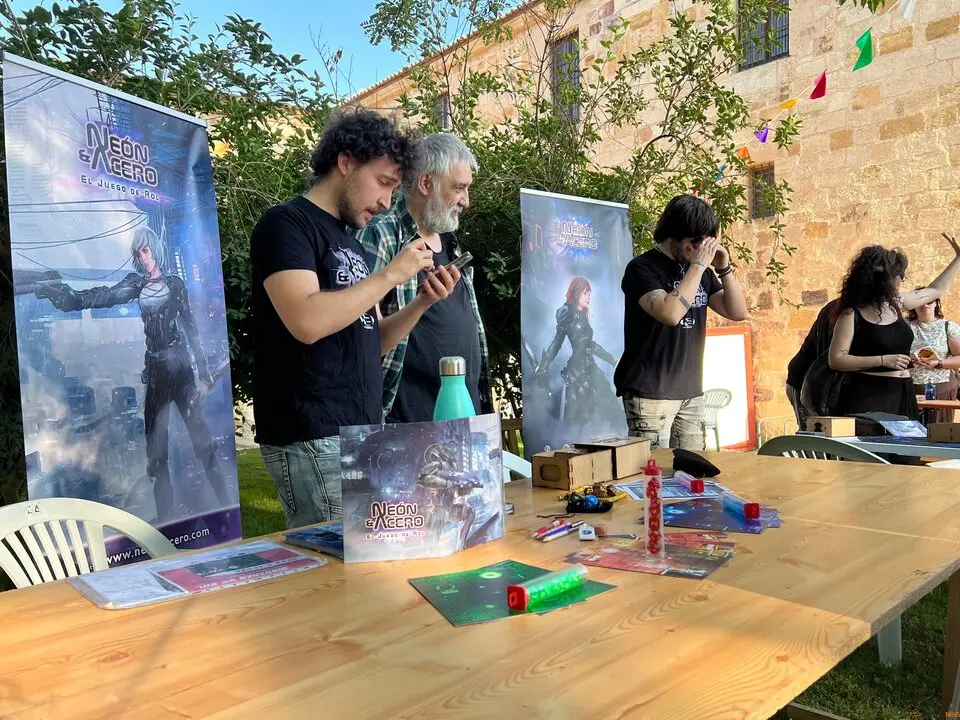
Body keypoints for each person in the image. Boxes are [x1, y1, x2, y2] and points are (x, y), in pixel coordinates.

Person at [250, 109, 462, 529]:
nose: (386, 202)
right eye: (383, 183)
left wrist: (420, 303)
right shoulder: (286, 225)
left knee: (366, 575)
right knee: (337, 578)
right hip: (312, 434)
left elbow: (371, 340)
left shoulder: (351, 244)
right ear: (345, 163)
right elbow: (307, 321)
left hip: (360, 435)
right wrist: (390, 275)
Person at [33, 225, 229, 523]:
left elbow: (190, 329)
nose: (142, 256)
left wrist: (204, 374)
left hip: (181, 372)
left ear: (155, 249)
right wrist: (67, 296)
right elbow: (101, 296)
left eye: (146, 250)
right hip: (157, 373)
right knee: (157, 454)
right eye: (138, 252)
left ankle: (226, 506)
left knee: (204, 444)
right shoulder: (136, 285)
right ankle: (167, 524)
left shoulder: (175, 284)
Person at [355, 133, 491, 423]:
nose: (465, 201)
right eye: (459, 188)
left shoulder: (452, 243)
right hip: (406, 429)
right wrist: (421, 302)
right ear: (426, 183)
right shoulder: (381, 234)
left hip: (462, 423)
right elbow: (364, 337)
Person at [613, 195, 748, 450]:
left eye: (705, 242)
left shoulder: (700, 272)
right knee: (652, 476)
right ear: (674, 234)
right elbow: (670, 313)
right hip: (650, 394)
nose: (698, 249)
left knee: (693, 473)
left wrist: (724, 268)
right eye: (694, 242)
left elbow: (738, 311)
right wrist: (698, 266)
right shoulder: (642, 269)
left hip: (691, 392)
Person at [827, 235, 960, 427]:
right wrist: (883, 360)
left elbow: (936, 290)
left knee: (908, 454)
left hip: (904, 393)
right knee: (876, 453)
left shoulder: (897, 304)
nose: (902, 279)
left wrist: (958, 259)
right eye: (899, 274)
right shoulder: (851, 314)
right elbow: (837, 359)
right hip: (871, 396)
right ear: (883, 278)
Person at [533, 276, 621, 431]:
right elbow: (557, 342)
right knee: (581, 416)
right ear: (576, 293)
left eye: (589, 294)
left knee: (609, 404)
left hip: (590, 367)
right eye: (586, 293)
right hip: (576, 372)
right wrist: (543, 366)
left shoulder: (582, 315)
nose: (589, 297)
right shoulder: (567, 312)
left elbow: (589, 345)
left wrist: (612, 360)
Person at [786, 298, 840, 429]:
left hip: (817, 384)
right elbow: (825, 359)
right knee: (812, 434)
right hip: (805, 381)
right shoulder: (839, 311)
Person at [907, 290, 960, 424]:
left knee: (938, 433)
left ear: (936, 303)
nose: (925, 305)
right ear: (913, 305)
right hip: (909, 388)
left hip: (941, 387)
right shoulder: (905, 326)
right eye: (920, 301)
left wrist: (939, 363)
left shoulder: (948, 326)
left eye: (929, 301)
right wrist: (909, 357)